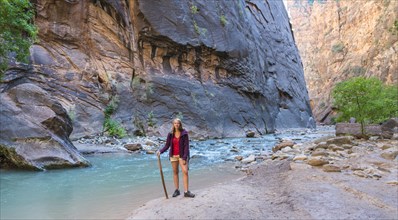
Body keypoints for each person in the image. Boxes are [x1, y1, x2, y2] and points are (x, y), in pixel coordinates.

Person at [157, 118, 195, 198]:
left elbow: (186, 146)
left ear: (180, 124)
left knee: (185, 171)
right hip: (173, 156)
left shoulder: (184, 133)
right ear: (173, 125)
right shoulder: (170, 134)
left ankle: (186, 191)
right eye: (175, 123)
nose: (176, 124)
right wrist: (160, 151)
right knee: (175, 172)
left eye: (178, 123)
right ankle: (177, 190)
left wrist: (185, 157)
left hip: (181, 156)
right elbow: (167, 146)